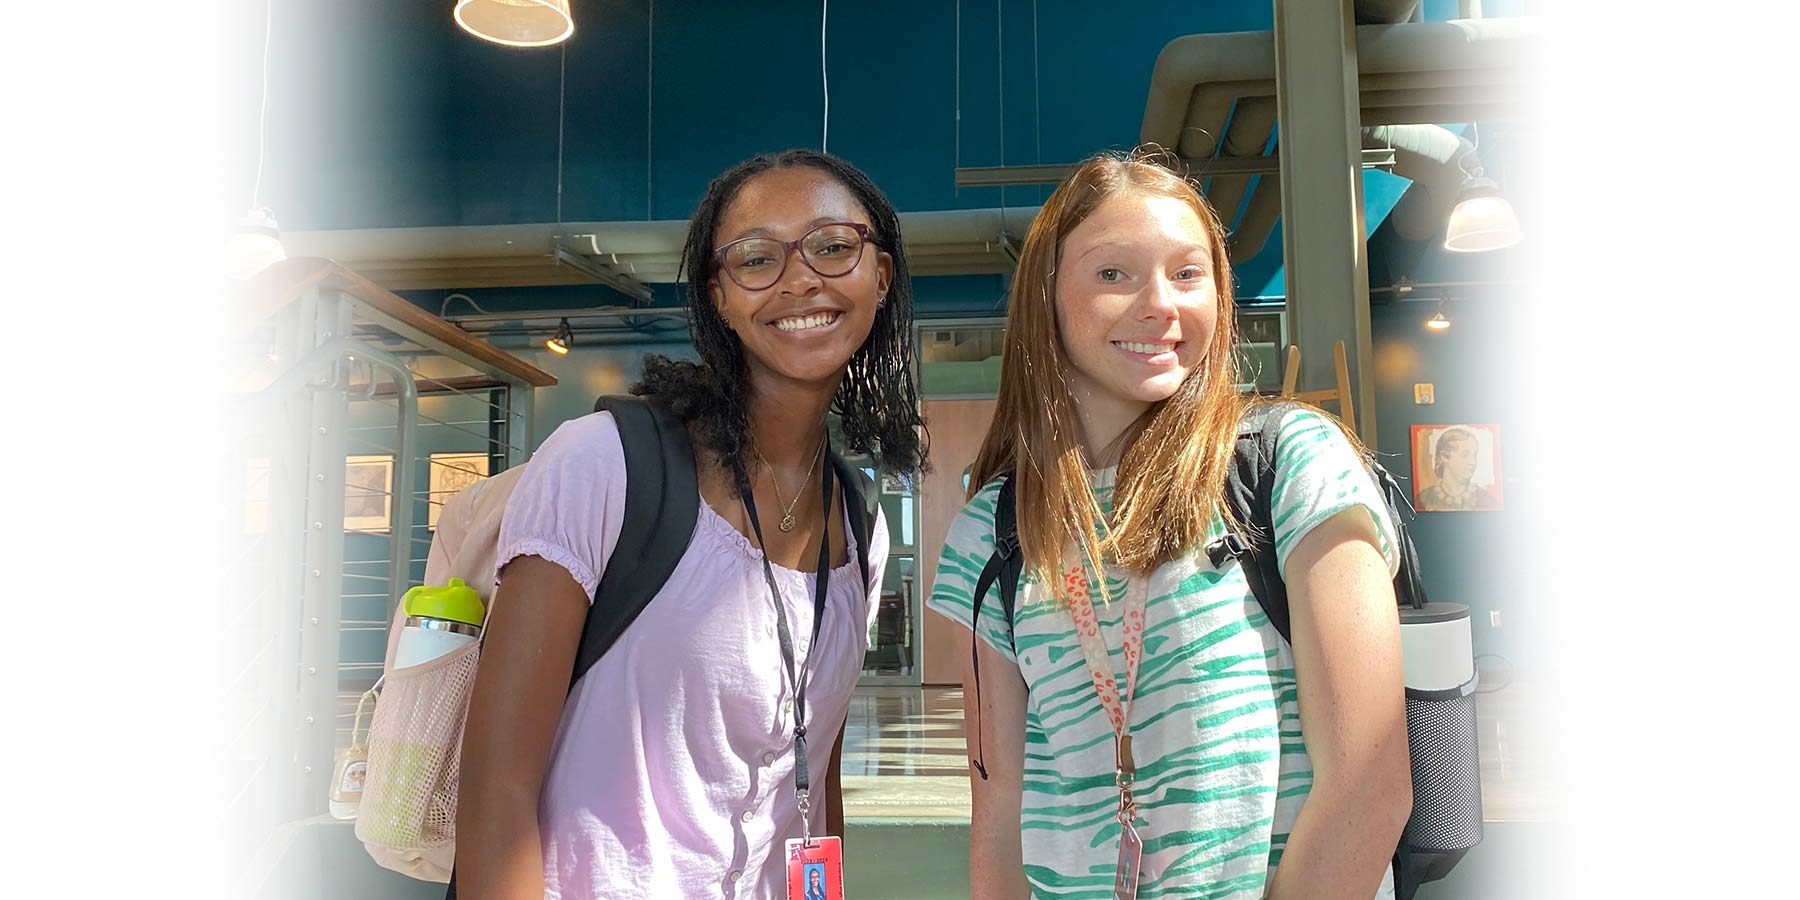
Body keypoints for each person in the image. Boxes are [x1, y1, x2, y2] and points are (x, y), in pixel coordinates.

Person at [927, 151, 1413, 900]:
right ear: (1046, 296)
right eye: (1113, 273)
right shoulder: (991, 530)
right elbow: (997, 822)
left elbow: (1368, 780)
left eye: (1188, 274)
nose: (1161, 304)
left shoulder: (1290, 463)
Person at [456, 149, 928, 900]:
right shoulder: (602, 464)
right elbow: (495, 794)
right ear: (720, 297)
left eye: (833, 246)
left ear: (881, 274)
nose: (800, 280)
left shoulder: (858, 523)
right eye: (757, 259)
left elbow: (816, 776)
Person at [1417, 427, 1498, 511]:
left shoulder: (1487, 500)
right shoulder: (1423, 499)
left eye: (1474, 455)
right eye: (1465, 455)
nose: (1473, 462)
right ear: (1445, 456)